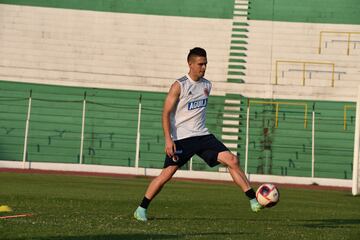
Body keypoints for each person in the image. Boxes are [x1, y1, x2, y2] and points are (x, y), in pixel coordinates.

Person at [134, 47, 262, 221]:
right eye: (200, 64)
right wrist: (168, 139)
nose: (203, 67)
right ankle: (141, 209)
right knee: (166, 174)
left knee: (232, 160)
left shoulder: (207, 85)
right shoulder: (179, 85)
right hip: (182, 139)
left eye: (205, 64)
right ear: (190, 64)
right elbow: (165, 113)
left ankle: (254, 200)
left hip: (203, 136)